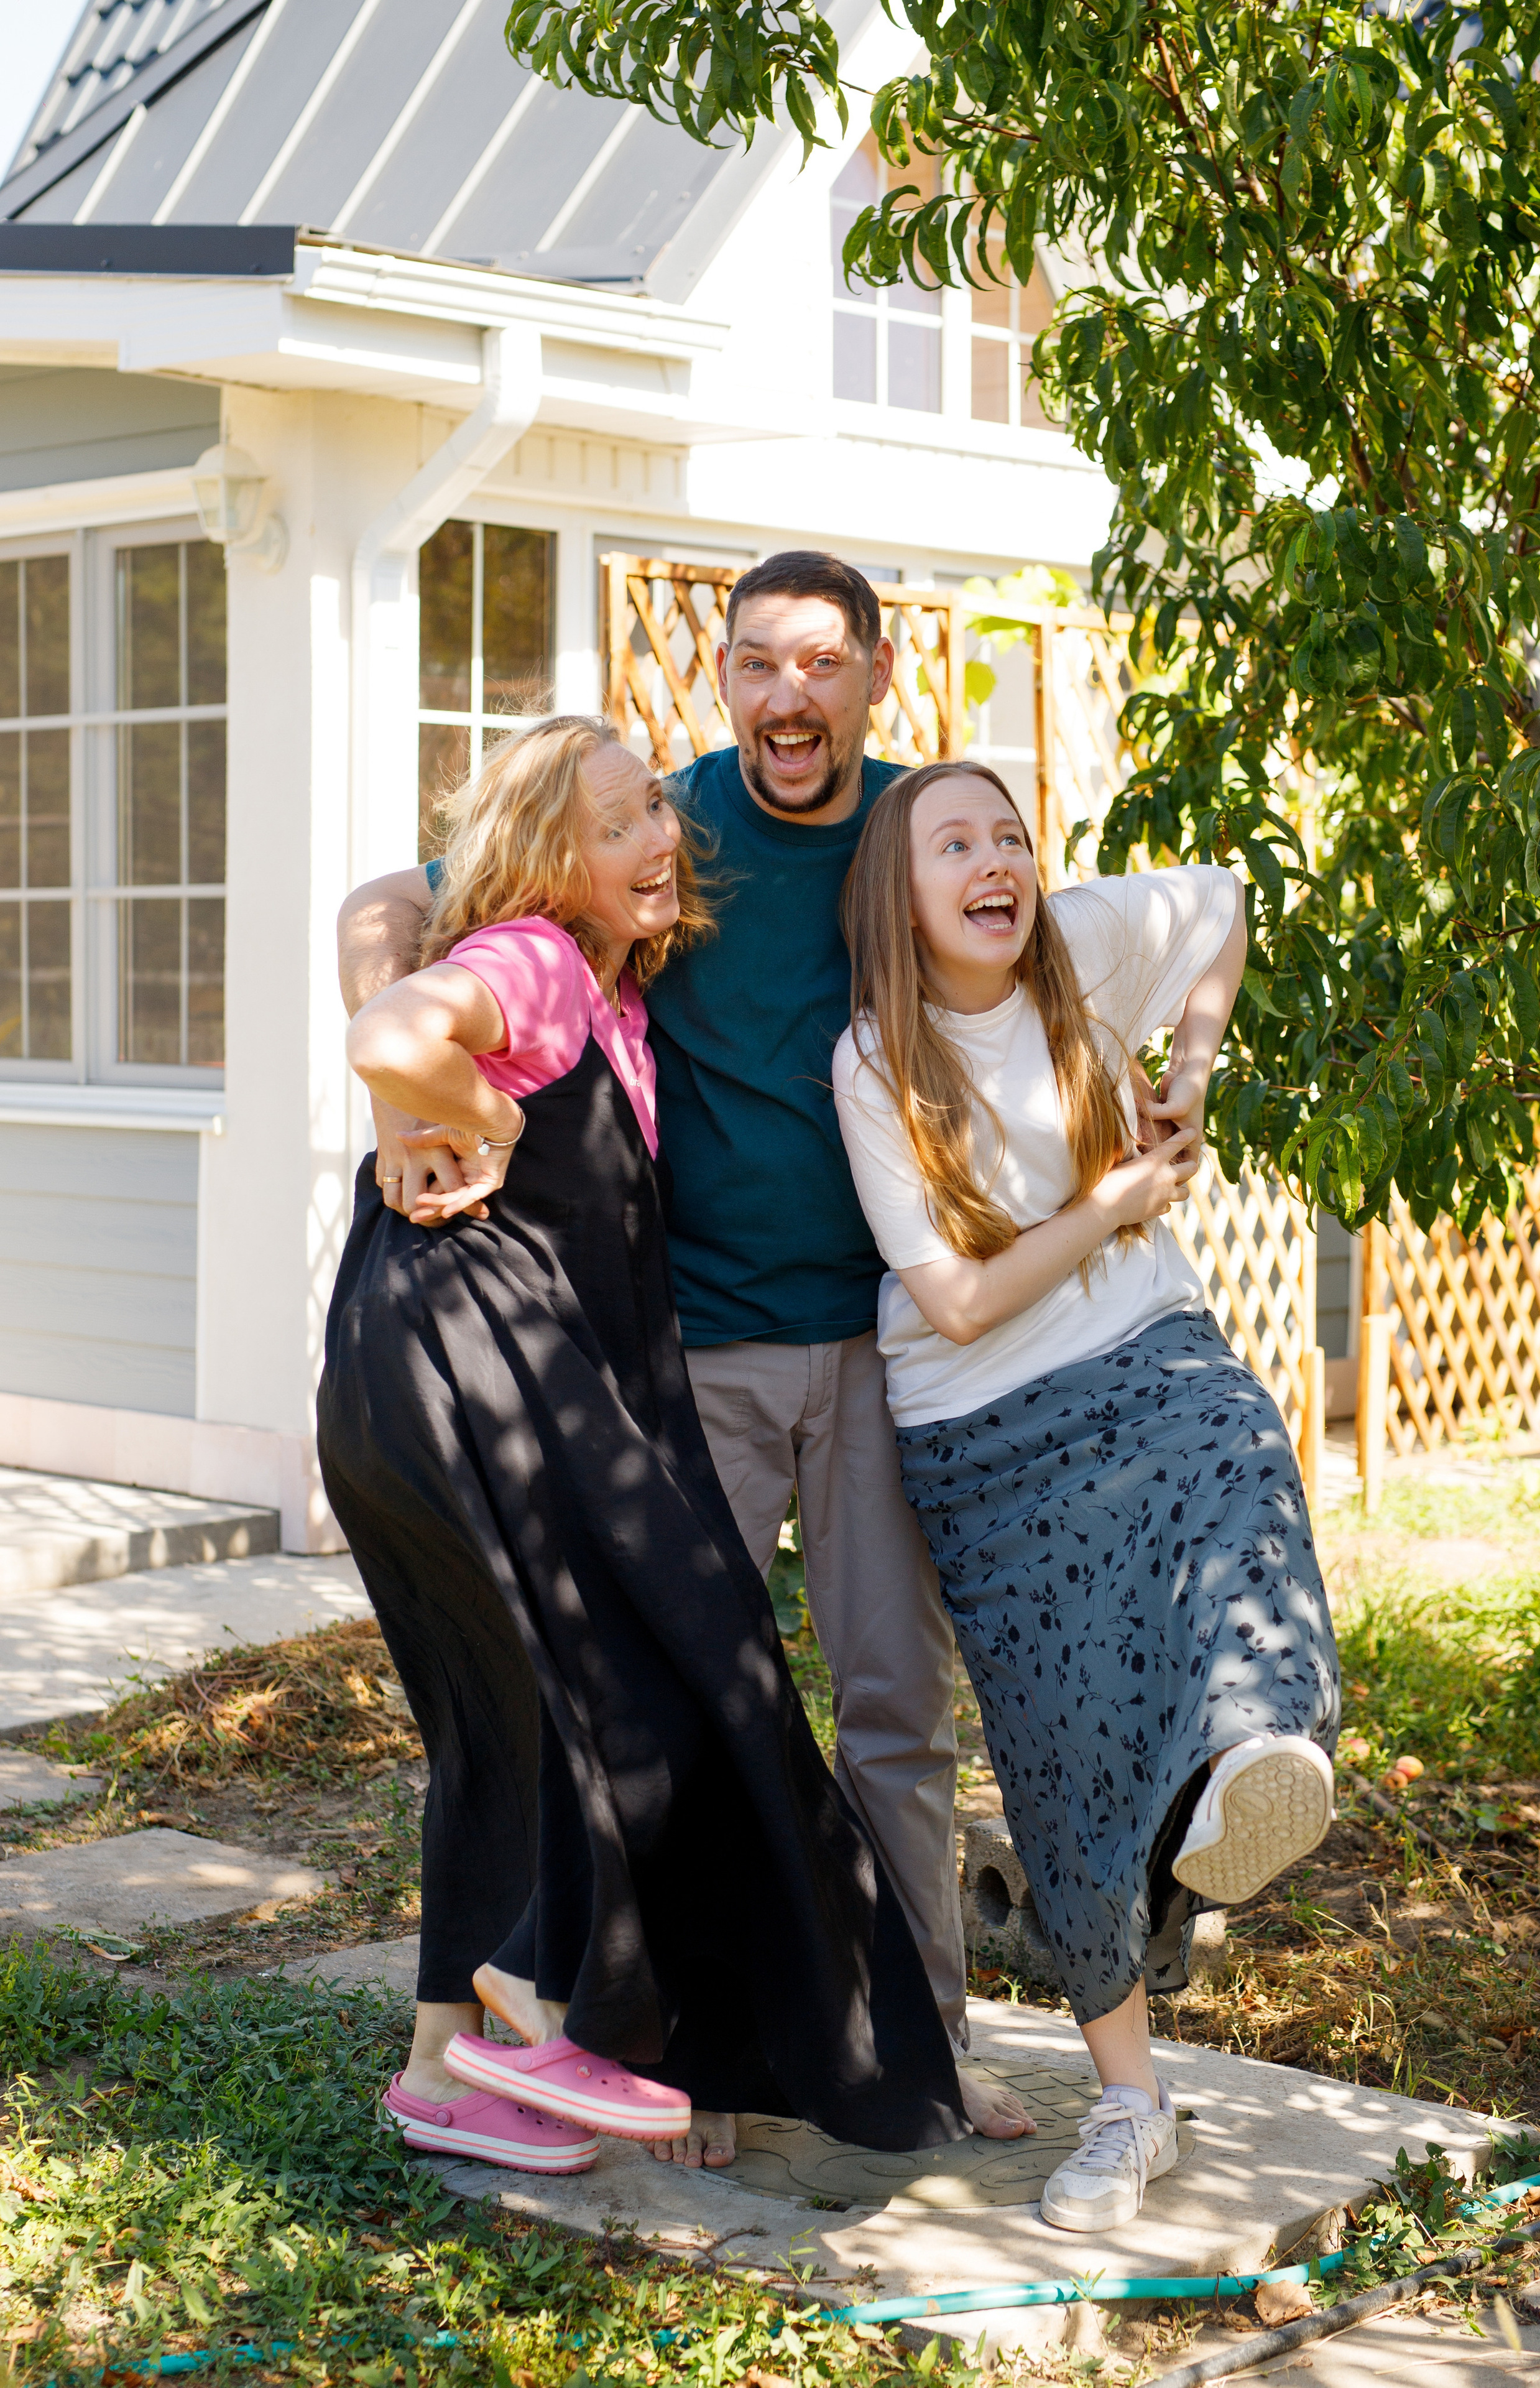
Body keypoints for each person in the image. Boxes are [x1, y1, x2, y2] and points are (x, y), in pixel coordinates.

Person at [336, 553, 1034, 2164]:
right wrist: (407, 1112)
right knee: (686, 1710)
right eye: (758, 665)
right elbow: (389, 912)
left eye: (821, 664)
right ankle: (693, 2057)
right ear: (726, 678)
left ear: (875, 672)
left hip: (870, 1345)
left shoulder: (919, 829)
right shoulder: (669, 823)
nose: (789, 696)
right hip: (689, 1359)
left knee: (892, 1716)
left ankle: (920, 2050)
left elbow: (1049, 960)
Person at [832, 761, 1342, 2233]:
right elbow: (959, 1299)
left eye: (1007, 836)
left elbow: (1225, 905)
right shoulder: (872, 1063)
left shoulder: (1081, 945)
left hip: (1143, 1344)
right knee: (1056, 1756)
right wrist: (1111, 1202)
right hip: (981, 1428)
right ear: (902, 892)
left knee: (1240, 1457)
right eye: (954, 845)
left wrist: (1187, 1074)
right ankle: (1129, 2105)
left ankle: (1252, 1756)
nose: (994, 862)